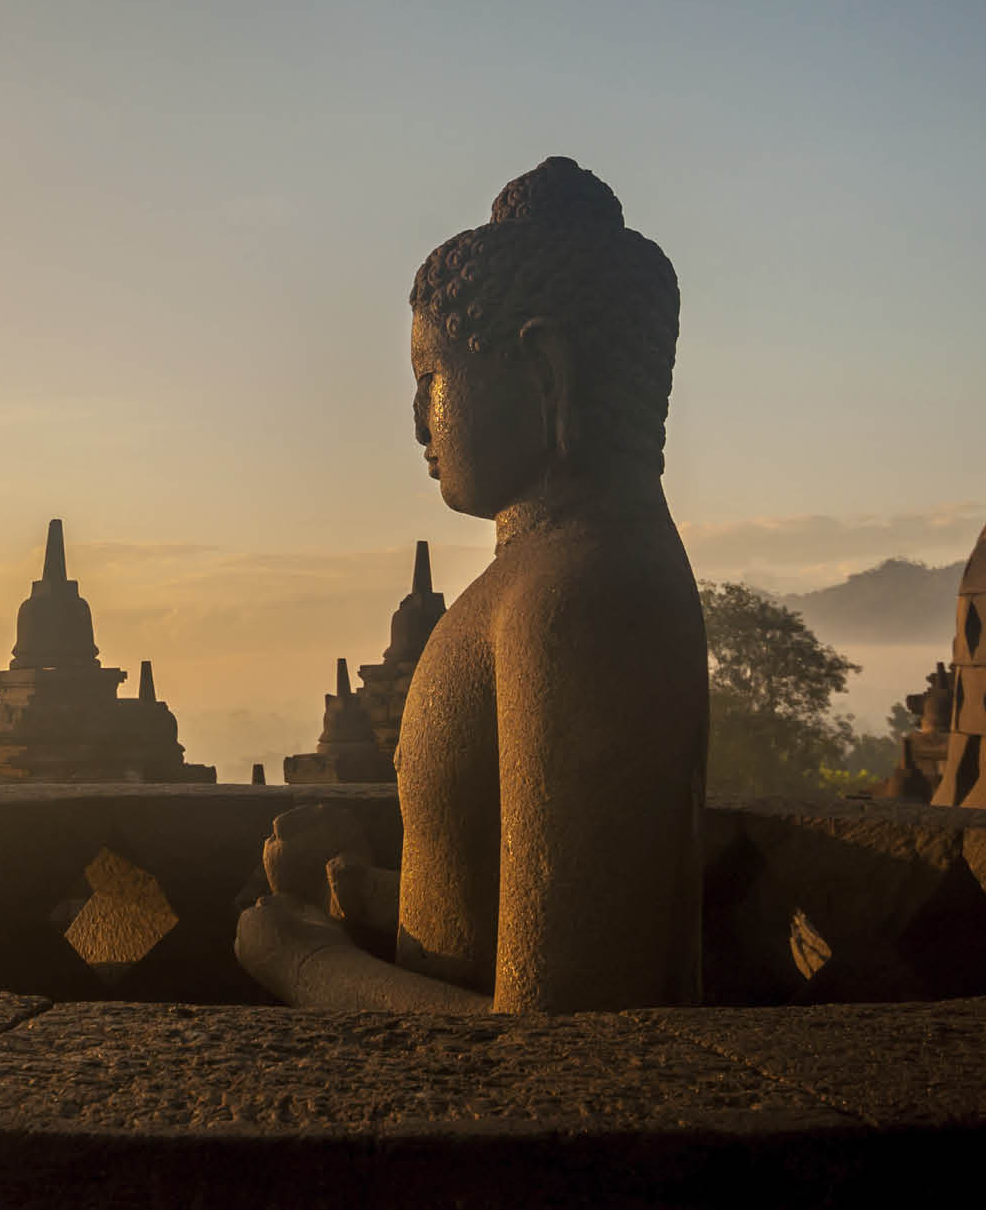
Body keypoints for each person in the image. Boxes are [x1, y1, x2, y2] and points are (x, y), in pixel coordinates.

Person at [236, 157, 706, 1013]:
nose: (416, 418)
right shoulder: (539, 576)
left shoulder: (580, 599)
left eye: (430, 378)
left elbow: (559, 1042)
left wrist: (301, 962)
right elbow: (492, 924)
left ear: (544, 373)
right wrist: (364, 887)